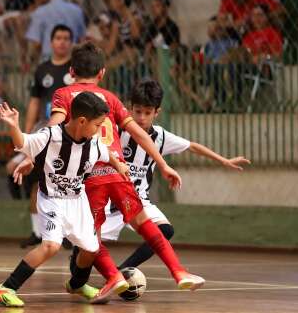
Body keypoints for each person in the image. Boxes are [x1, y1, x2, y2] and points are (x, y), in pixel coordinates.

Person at [16, 42, 204, 303]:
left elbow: (53, 128)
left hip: (91, 177)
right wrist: (163, 164)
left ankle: (113, 277)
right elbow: (140, 134)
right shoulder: (112, 98)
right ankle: (179, 271)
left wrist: (30, 155)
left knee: (90, 237)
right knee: (145, 224)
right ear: (102, 73)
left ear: (71, 71)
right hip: (119, 172)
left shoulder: (65, 94)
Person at [0, 93, 130, 308]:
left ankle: (77, 284)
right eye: (97, 125)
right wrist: (13, 126)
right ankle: (7, 287)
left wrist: (119, 165)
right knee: (51, 246)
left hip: (78, 201)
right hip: (52, 200)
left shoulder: (92, 143)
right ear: (82, 121)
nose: (98, 130)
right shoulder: (50, 137)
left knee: (91, 249)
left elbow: (106, 153)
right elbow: (23, 142)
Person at [101, 79, 250, 270]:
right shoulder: (117, 131)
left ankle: (123, 271)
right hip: (109, 200)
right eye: (138, 111)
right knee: (86, 246)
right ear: (130, 109)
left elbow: (192, 146)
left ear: (157, 112)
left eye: (148, 113)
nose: (142, 118)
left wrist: (224, 160)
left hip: (139, 201)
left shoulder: (160, 137)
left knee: (165, 230)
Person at [14, 24, 74, 248]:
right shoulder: (42, 70)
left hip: (71, 133)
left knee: (69, 181)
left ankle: (68, 233)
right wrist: (27, 133)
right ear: (51, 42)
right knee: (38, 180)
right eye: (58, 38)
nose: (62, 42)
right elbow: (34, 102)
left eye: (66, 38)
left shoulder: (75, 69)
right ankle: (37, 231)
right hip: (46, 131)